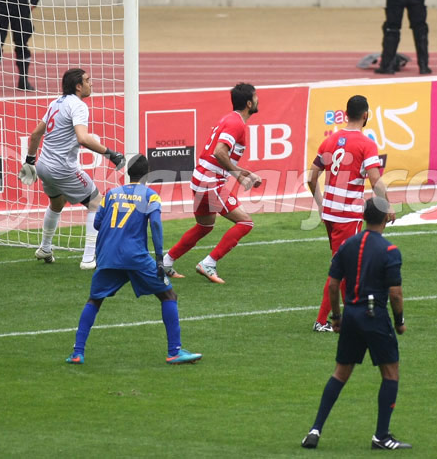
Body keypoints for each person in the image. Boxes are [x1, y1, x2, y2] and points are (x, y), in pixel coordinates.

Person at [65, 155, 202, 365]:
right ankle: (174, 351)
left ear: (128, 173)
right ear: (147, 174)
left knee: (95, 300)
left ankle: (77, 352)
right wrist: (158, 258)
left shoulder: (110, 194)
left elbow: (97, 224)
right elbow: (155, 225)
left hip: (108, 256)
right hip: (136, 257)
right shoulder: (150, 196)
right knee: (168, 295)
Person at [301, 198, 410, 451]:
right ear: (385, 219)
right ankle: (381, 436)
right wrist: (400, 321)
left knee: (340, 373)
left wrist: (337, 318)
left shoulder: (347, 246)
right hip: (375, 316)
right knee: (390, 372)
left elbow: (332, 284)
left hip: (351, 315)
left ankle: (315, 430)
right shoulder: (390, 251)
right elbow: (395, 293)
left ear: (363, 217)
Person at [19, 68, 125, 269]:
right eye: (87, 80)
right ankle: (88, 258)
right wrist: (111, 154)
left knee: (56, 204)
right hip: (62, 168)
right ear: (78, 86)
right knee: (96, 204)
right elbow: (83, 138)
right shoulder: (79, 106)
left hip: (43, 166)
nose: (90, 83)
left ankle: (45, 247)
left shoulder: (55, 103)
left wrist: (29, 161)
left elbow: (35, 134)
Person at [307, 95, 394, 333]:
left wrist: (320, 204)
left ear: (346, 114)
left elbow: (311, 177)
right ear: (366, 115)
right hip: (348, 215)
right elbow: (375, 180)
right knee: (342, 267)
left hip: (330, 213)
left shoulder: (330, 140)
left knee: (344, 264)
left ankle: (354, 313)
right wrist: (387, 206)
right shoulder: (366, 144)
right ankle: (322, 320)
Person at [161, 83, 262, 285]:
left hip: (201, 179)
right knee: (245, 222)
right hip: (210, 183)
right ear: (249, 103)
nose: (259, 100)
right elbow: (219, 153)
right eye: (256, 97)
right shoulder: (237, 124)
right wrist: (240, 177)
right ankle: (209, 263)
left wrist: (247, 173)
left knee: (204, 226)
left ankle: (165, 262)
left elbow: (219, 158)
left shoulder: (230, 119)